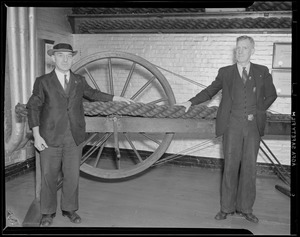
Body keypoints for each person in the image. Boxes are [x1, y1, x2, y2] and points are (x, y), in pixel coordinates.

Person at [26, 43, 134, 227]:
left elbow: (93, 93)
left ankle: (69, 209)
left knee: (72, 176)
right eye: (60, 55)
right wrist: (36, 135)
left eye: (68, 56)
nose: (65, 59)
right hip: (49, 138)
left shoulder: (79, 80)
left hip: (74, 137)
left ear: (72, 58)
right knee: (48, 176)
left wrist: (114, 98)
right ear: (53, 58)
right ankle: (47, 213)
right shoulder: (42, 81)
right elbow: (33, 107)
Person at [176, 36, 277, 223]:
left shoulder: (262, 71)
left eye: (244, 48)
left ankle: (246, 208)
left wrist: (259, 109)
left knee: (249, 168)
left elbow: (272, 94)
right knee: (229, 167)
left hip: (253, 126)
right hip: (232, 126)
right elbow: (209, 91)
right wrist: (190, 101)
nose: (240, 51)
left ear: (252, 51)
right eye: (237, 48)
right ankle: (226, 208)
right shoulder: (226, 72)